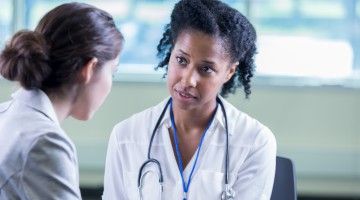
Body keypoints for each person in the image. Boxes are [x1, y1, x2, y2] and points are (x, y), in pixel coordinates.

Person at [103, 0, 276, 199]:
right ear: (170, 54)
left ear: (229, 72)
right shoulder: (126, 136)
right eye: (181, 60)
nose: (188, 80)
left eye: (206, 69)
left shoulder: (254, 141)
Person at [0, 2, 124, 199]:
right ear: (89, 69)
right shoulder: (45, 142)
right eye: (113, 72)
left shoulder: (6, 114)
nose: (110, 82)